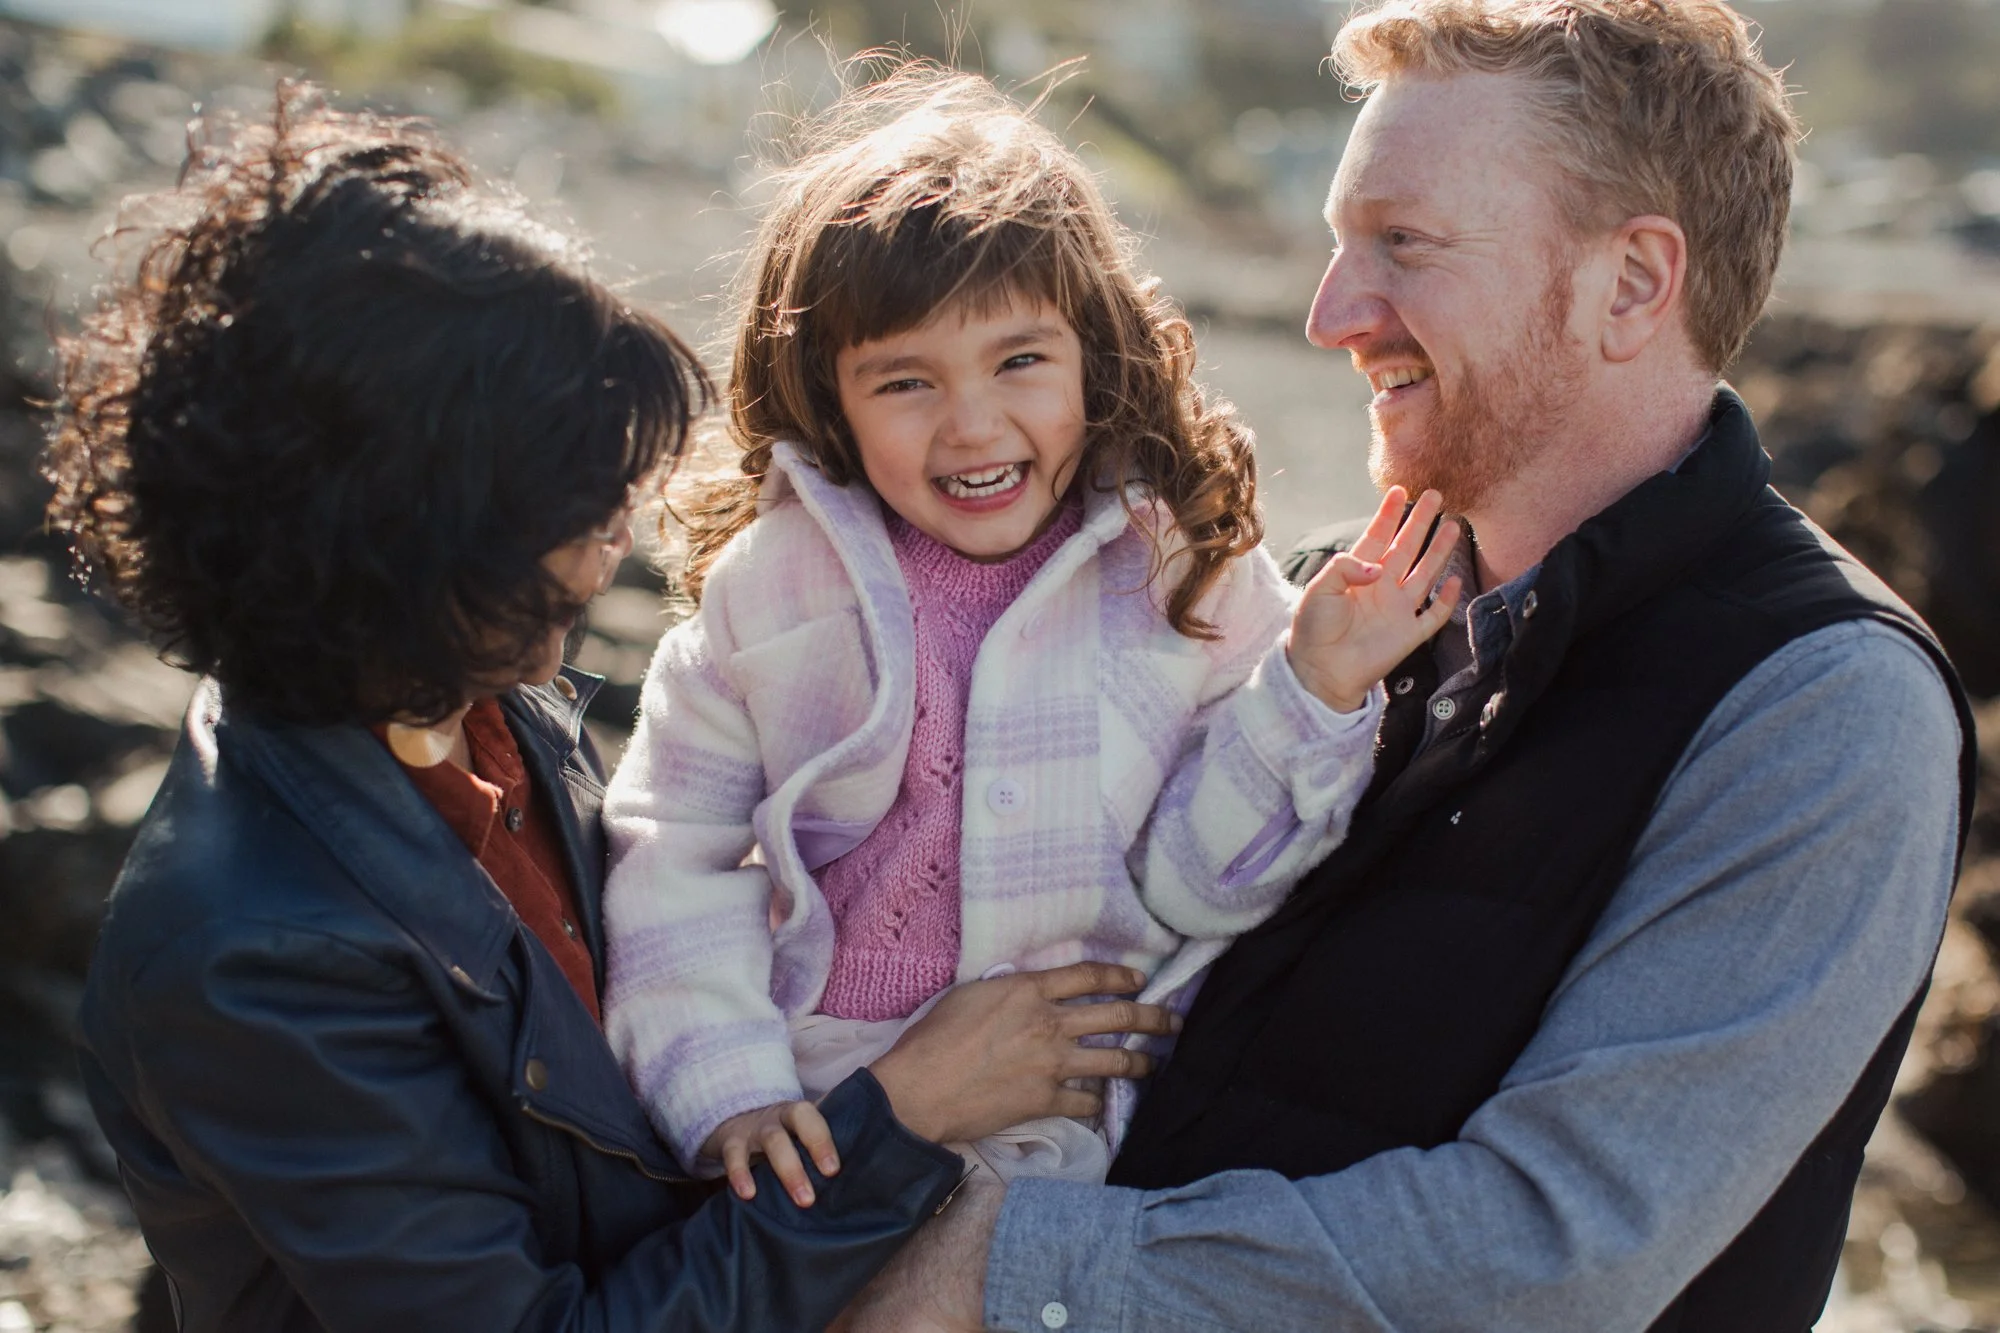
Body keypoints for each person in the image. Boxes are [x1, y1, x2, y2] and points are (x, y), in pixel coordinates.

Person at [839, 4, 1979, 1331]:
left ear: (1633, 283)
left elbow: (1554, 1254)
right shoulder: (1314, 603)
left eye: (1404, 244)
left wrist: (1001, 1273)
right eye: (1338, 246)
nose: (1334, 313)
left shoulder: (1824, 708)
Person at [48, 87, 1181, 1332]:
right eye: (571, 491)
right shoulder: (248, 957)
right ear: (401, 524)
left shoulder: (463, 705)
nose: (619, 532)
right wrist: (897, 1116)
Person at [601, 65, 1460, 1205]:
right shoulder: (773, 591)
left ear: (1093, 354)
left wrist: (1310, 687)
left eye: (1018, 360)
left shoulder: (1183, 574)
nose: (972, 422)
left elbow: (1199, 889)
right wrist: (728, 1091)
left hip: (1082, 1138)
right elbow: (673, 853)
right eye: (903, 380)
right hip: (820, 1115)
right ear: (828, 398)